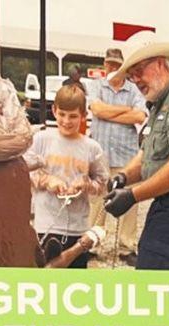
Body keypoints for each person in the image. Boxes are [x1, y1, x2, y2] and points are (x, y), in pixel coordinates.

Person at [106, 31, 169, 270]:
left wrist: (133, 195)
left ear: (159, 62)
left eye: (138, 71)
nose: (135, 79)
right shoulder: (161, 102)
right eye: (131, 75)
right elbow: (148, 154)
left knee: (152, 282)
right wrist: (123, 177)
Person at [23, 85, 109, 268]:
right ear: (54, 110)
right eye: (62, 114)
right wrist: (47, 180)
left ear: (84, 115)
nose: (66, 121)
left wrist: (86, 184)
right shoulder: (41, 140)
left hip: (78, 229)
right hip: (45, 226)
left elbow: (102, 185)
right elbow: (24, 173)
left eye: (73, 116)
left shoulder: (92, 148)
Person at [87, 47, 147, 266]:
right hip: (100, 155)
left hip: (126, 156)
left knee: (129, 202)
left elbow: (140, 115)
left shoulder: (134, 89)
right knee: (96, 201)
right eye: (109, 64)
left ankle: (127, 246)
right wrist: (124, 111)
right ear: (104, 65)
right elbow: (96, 109)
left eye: (116, 64)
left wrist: (107, 111)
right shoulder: (96, 86)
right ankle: (92, 243)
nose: (112, 68)